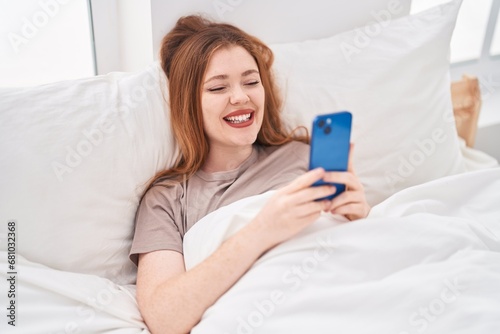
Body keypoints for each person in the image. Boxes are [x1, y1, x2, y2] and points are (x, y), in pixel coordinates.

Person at [130, 15, 370, 334]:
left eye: (251, 81)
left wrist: (359, 216)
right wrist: (263, 229)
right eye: (218, 87)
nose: (241, 97)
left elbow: (360, 254)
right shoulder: (166, 200)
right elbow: (165, 318)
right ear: (189, 104)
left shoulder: (304, 156)